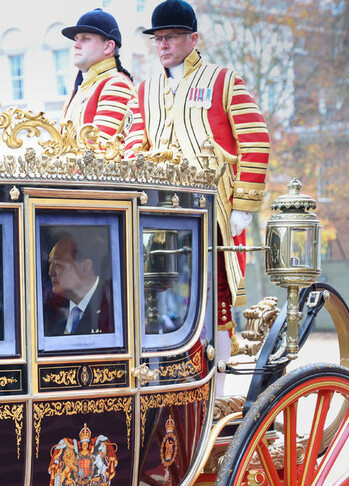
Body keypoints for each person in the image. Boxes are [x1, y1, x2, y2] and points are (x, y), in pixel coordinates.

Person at [133, 0, 270, 384]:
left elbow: (256, 139)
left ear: (194, 39)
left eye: (172, 37)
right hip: (158, 215)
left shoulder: (224, 80)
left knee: (217, 302)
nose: (163, 44)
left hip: (214, 214)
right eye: (158, 38)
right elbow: (132, 148)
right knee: (159, 299)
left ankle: (219, 387)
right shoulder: (145, 90)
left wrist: (243, 203)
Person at [60, 9, 144, 151]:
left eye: (85, 38)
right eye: (76, 39)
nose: (76, 45)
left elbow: (98, 151)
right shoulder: (80, 88)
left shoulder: (117, 84)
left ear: (108, 46)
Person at [44, 232, 113, 336]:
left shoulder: (113, 308)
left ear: (84, 268)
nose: (51, 272)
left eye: (58, 264)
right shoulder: (51, 305)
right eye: (50, 263)